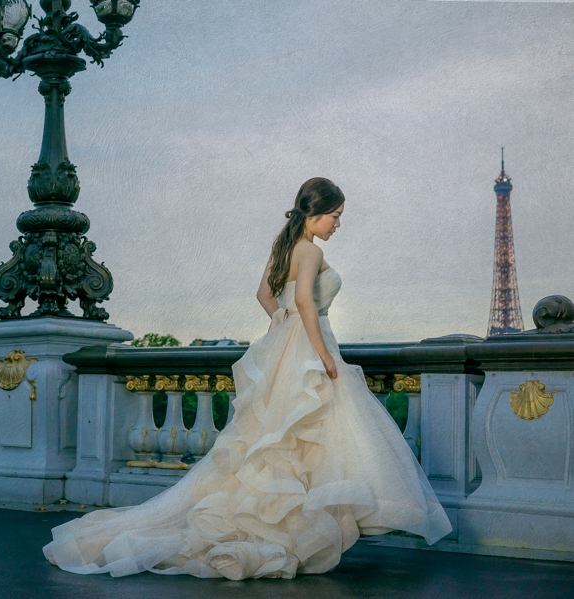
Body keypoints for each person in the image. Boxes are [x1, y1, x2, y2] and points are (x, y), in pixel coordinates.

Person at [43, 177, 451, 580]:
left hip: (288, 343)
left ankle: (289, 527)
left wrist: (282, 324)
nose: (338, 224)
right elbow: (306, 300)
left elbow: (265, 295)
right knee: (311, 435)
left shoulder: (285, 245)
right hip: (310, 343)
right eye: (335, 215)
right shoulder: (309, 250)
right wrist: (321, 352)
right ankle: (297, 530)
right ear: (314, 213)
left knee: (278, 437)